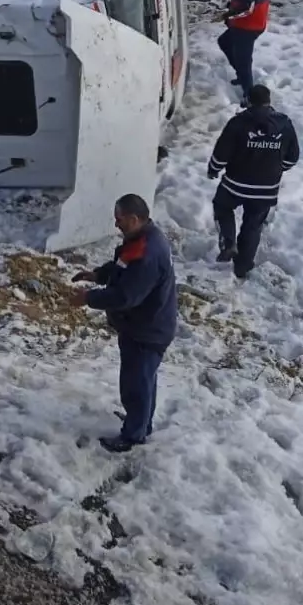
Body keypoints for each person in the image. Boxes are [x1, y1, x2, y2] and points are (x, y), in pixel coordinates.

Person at [71, 195, 177, 454]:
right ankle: (141, 423)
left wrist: (88, 297)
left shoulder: (147, 254)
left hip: (146, 331)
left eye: (119, 220)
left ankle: (133, 435)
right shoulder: (141, 239)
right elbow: (122, 266)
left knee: (135, 385)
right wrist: (99, 274)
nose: (116, 225)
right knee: (144, 381)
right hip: (145, 326)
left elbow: (126, 296)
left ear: (134, 218)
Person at [208, 84, 299, 279]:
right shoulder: (284, 123)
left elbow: (221, 153)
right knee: (253, 225)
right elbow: (292, 158)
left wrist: (213, 169)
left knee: (222, 206)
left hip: (236, 184)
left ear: (248, 100)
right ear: (269, 101)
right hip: (266, 189)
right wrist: (275, 168)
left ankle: (229, 242)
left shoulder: (238, 123)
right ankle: (243, 267)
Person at [217, 0, 273, 98]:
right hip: (256, 22)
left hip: (247, 27)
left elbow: (246, 9)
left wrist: (226, 16)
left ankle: (250, 95)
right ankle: (243, 77)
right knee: (224, 42)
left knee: (243, 61)